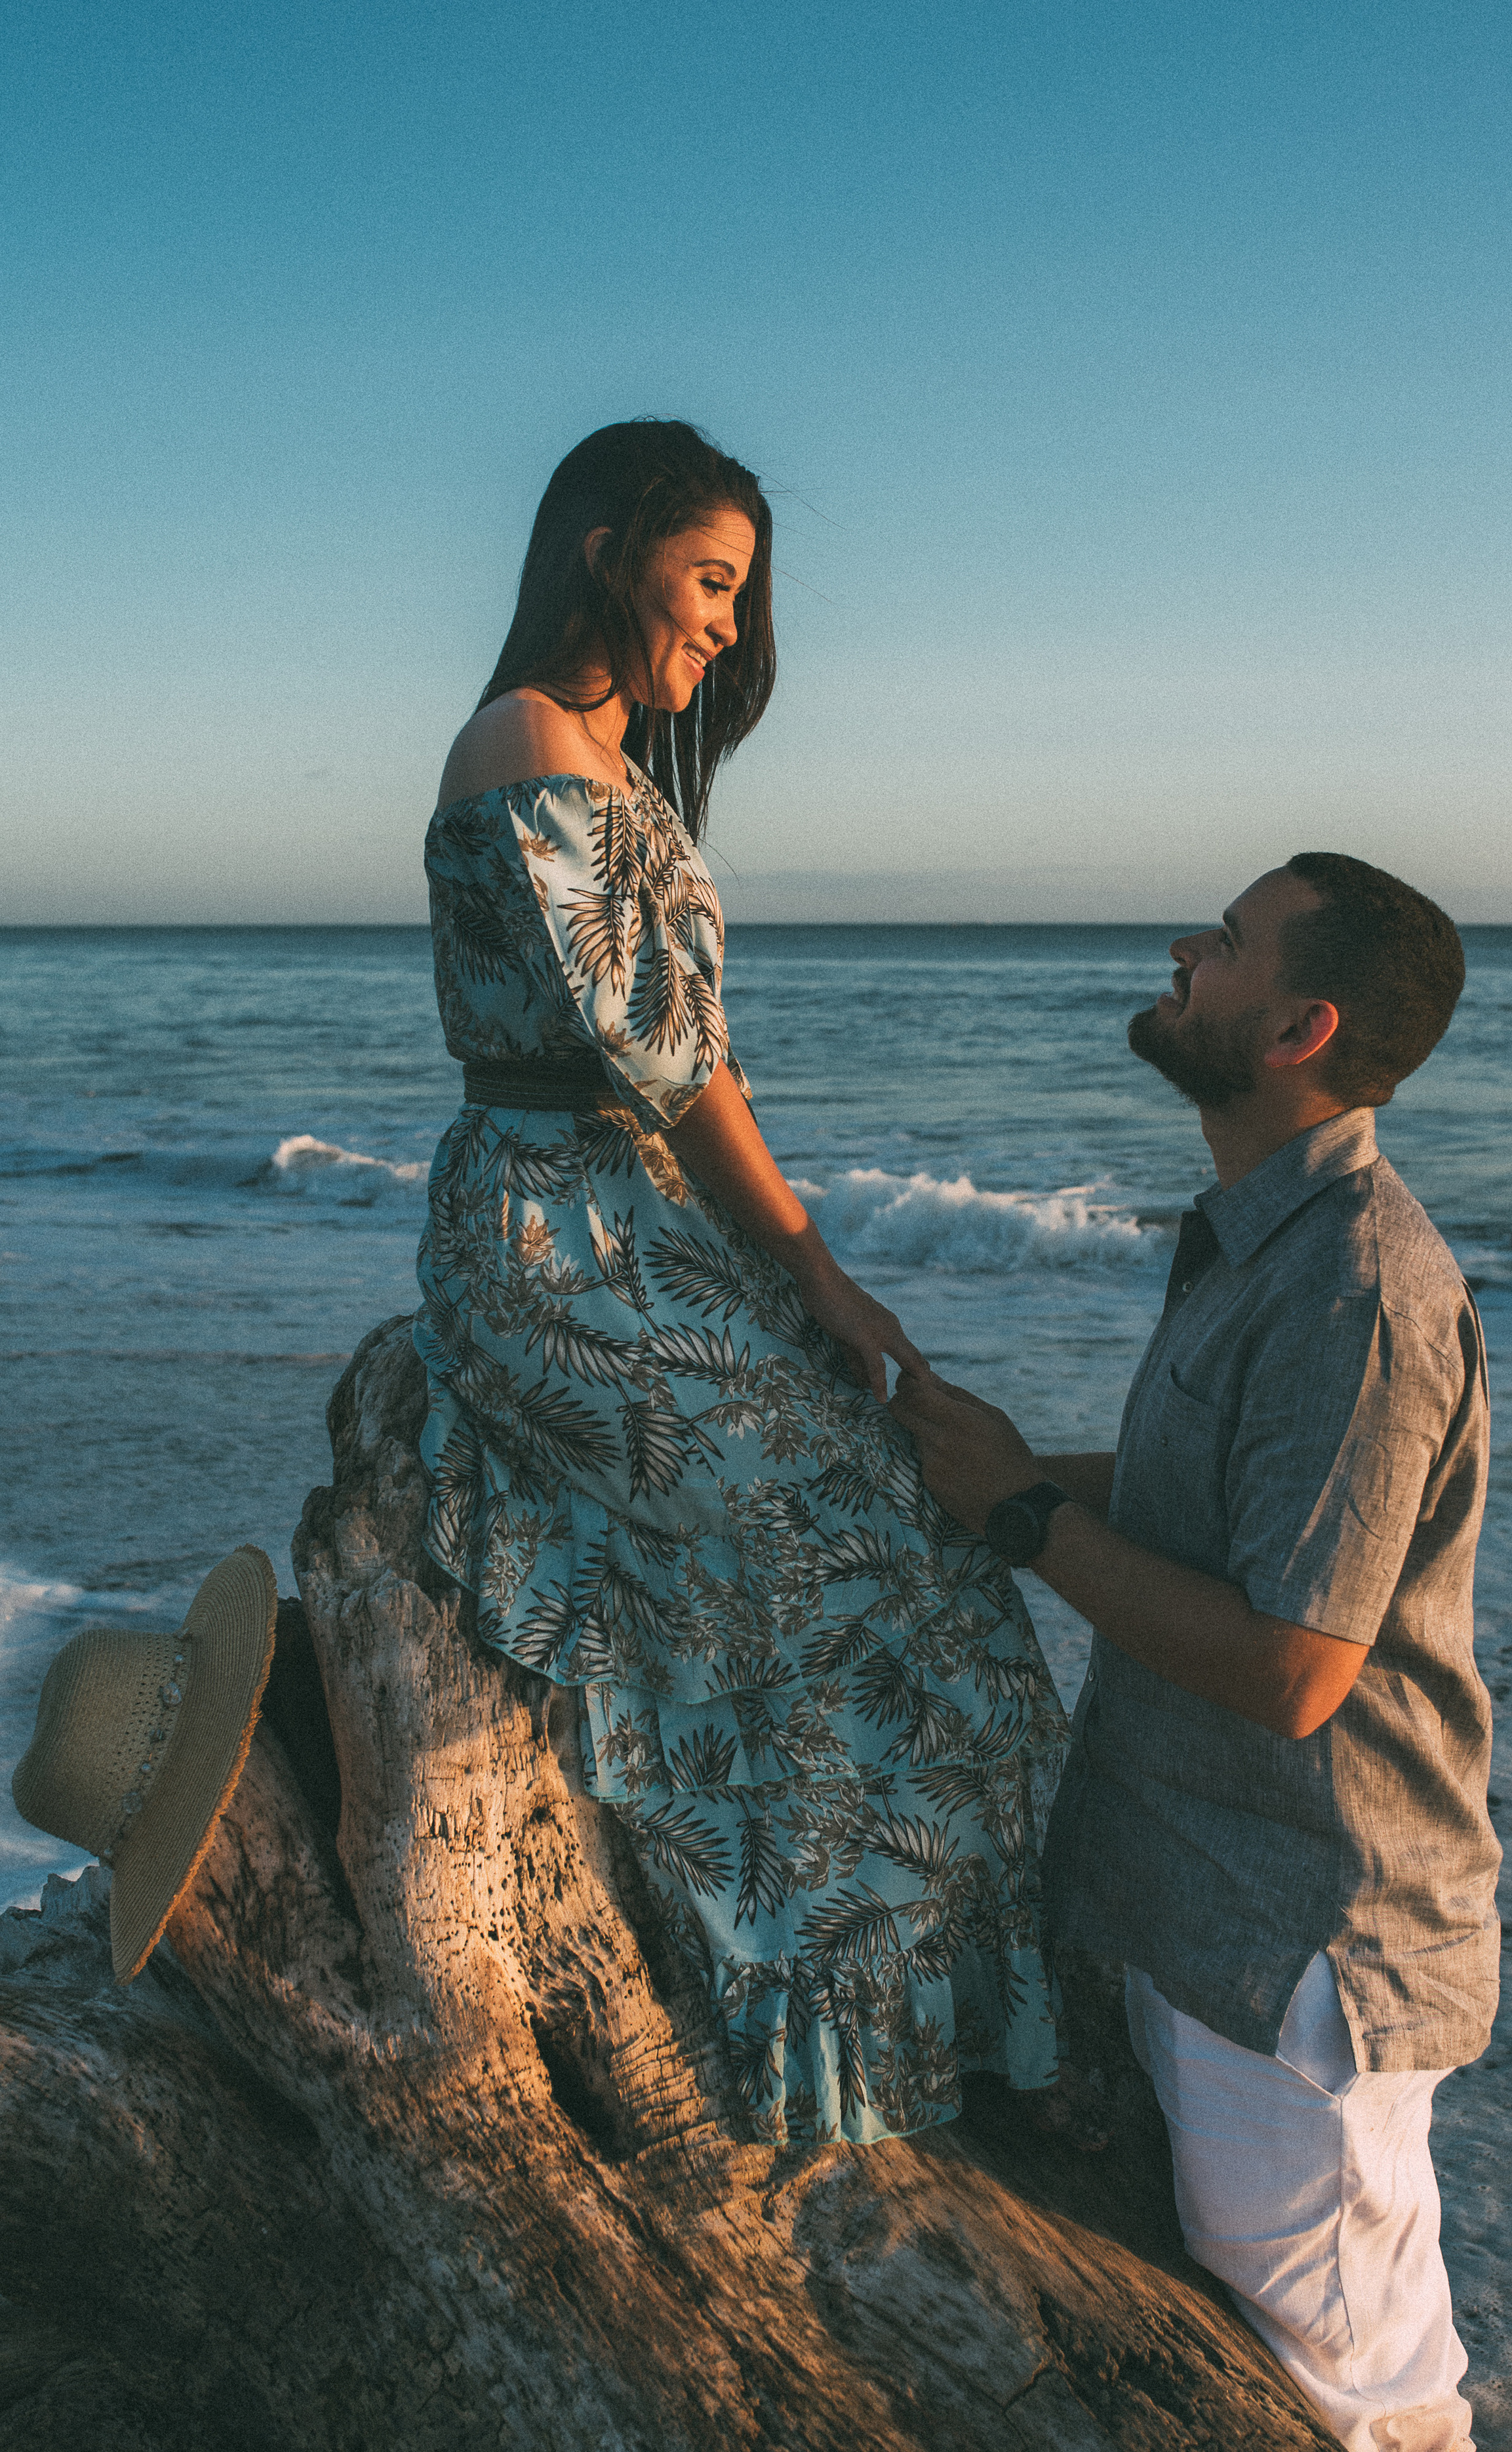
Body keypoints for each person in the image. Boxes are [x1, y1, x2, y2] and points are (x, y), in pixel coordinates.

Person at [412, 419, 1065, 2148]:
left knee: (915, 1549)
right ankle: (794, 2035)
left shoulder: (615, 763)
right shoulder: (525, 742)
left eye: (738, 600)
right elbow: (668, 1068)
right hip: (558, 1231)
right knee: (824, 1560)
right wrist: (822, 1277)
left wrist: (791, 1268)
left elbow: (711, 1069)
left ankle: (917, 2030)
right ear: (604, 546)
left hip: (642, 1219)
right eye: (709, 582)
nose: (723, 628)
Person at [890, 854, 1496, 2452]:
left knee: (1356, 2421)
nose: (1182, 947)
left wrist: (1016, 1519)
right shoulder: (1260, 1241)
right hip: (1207, 1906)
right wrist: (1003, 1469)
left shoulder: (1352, 1287)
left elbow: (1295, 1667)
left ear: (1298, 1024)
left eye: (1222, 942)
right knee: (1275, 2397)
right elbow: (1206, 1528)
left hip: (1301, 1948)